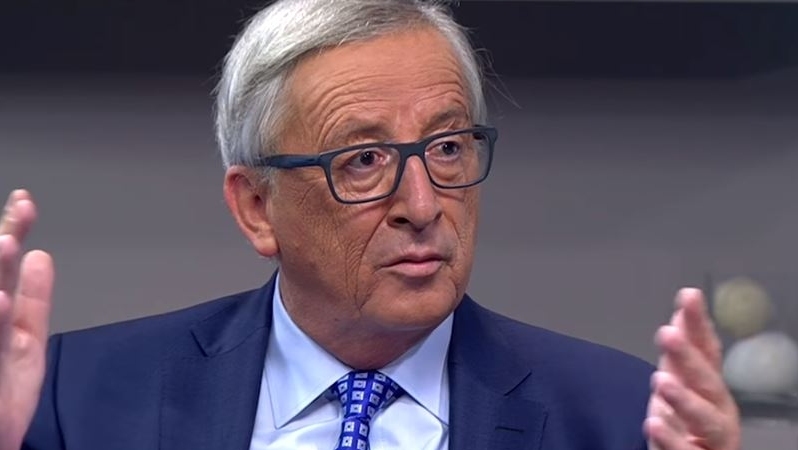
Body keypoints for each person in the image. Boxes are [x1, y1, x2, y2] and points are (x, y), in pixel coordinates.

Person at [0, 0, 740, 449]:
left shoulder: (620, 419)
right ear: (256, 208)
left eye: (447, 148)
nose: (422, 204)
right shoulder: (78, 400)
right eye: (363, 161)